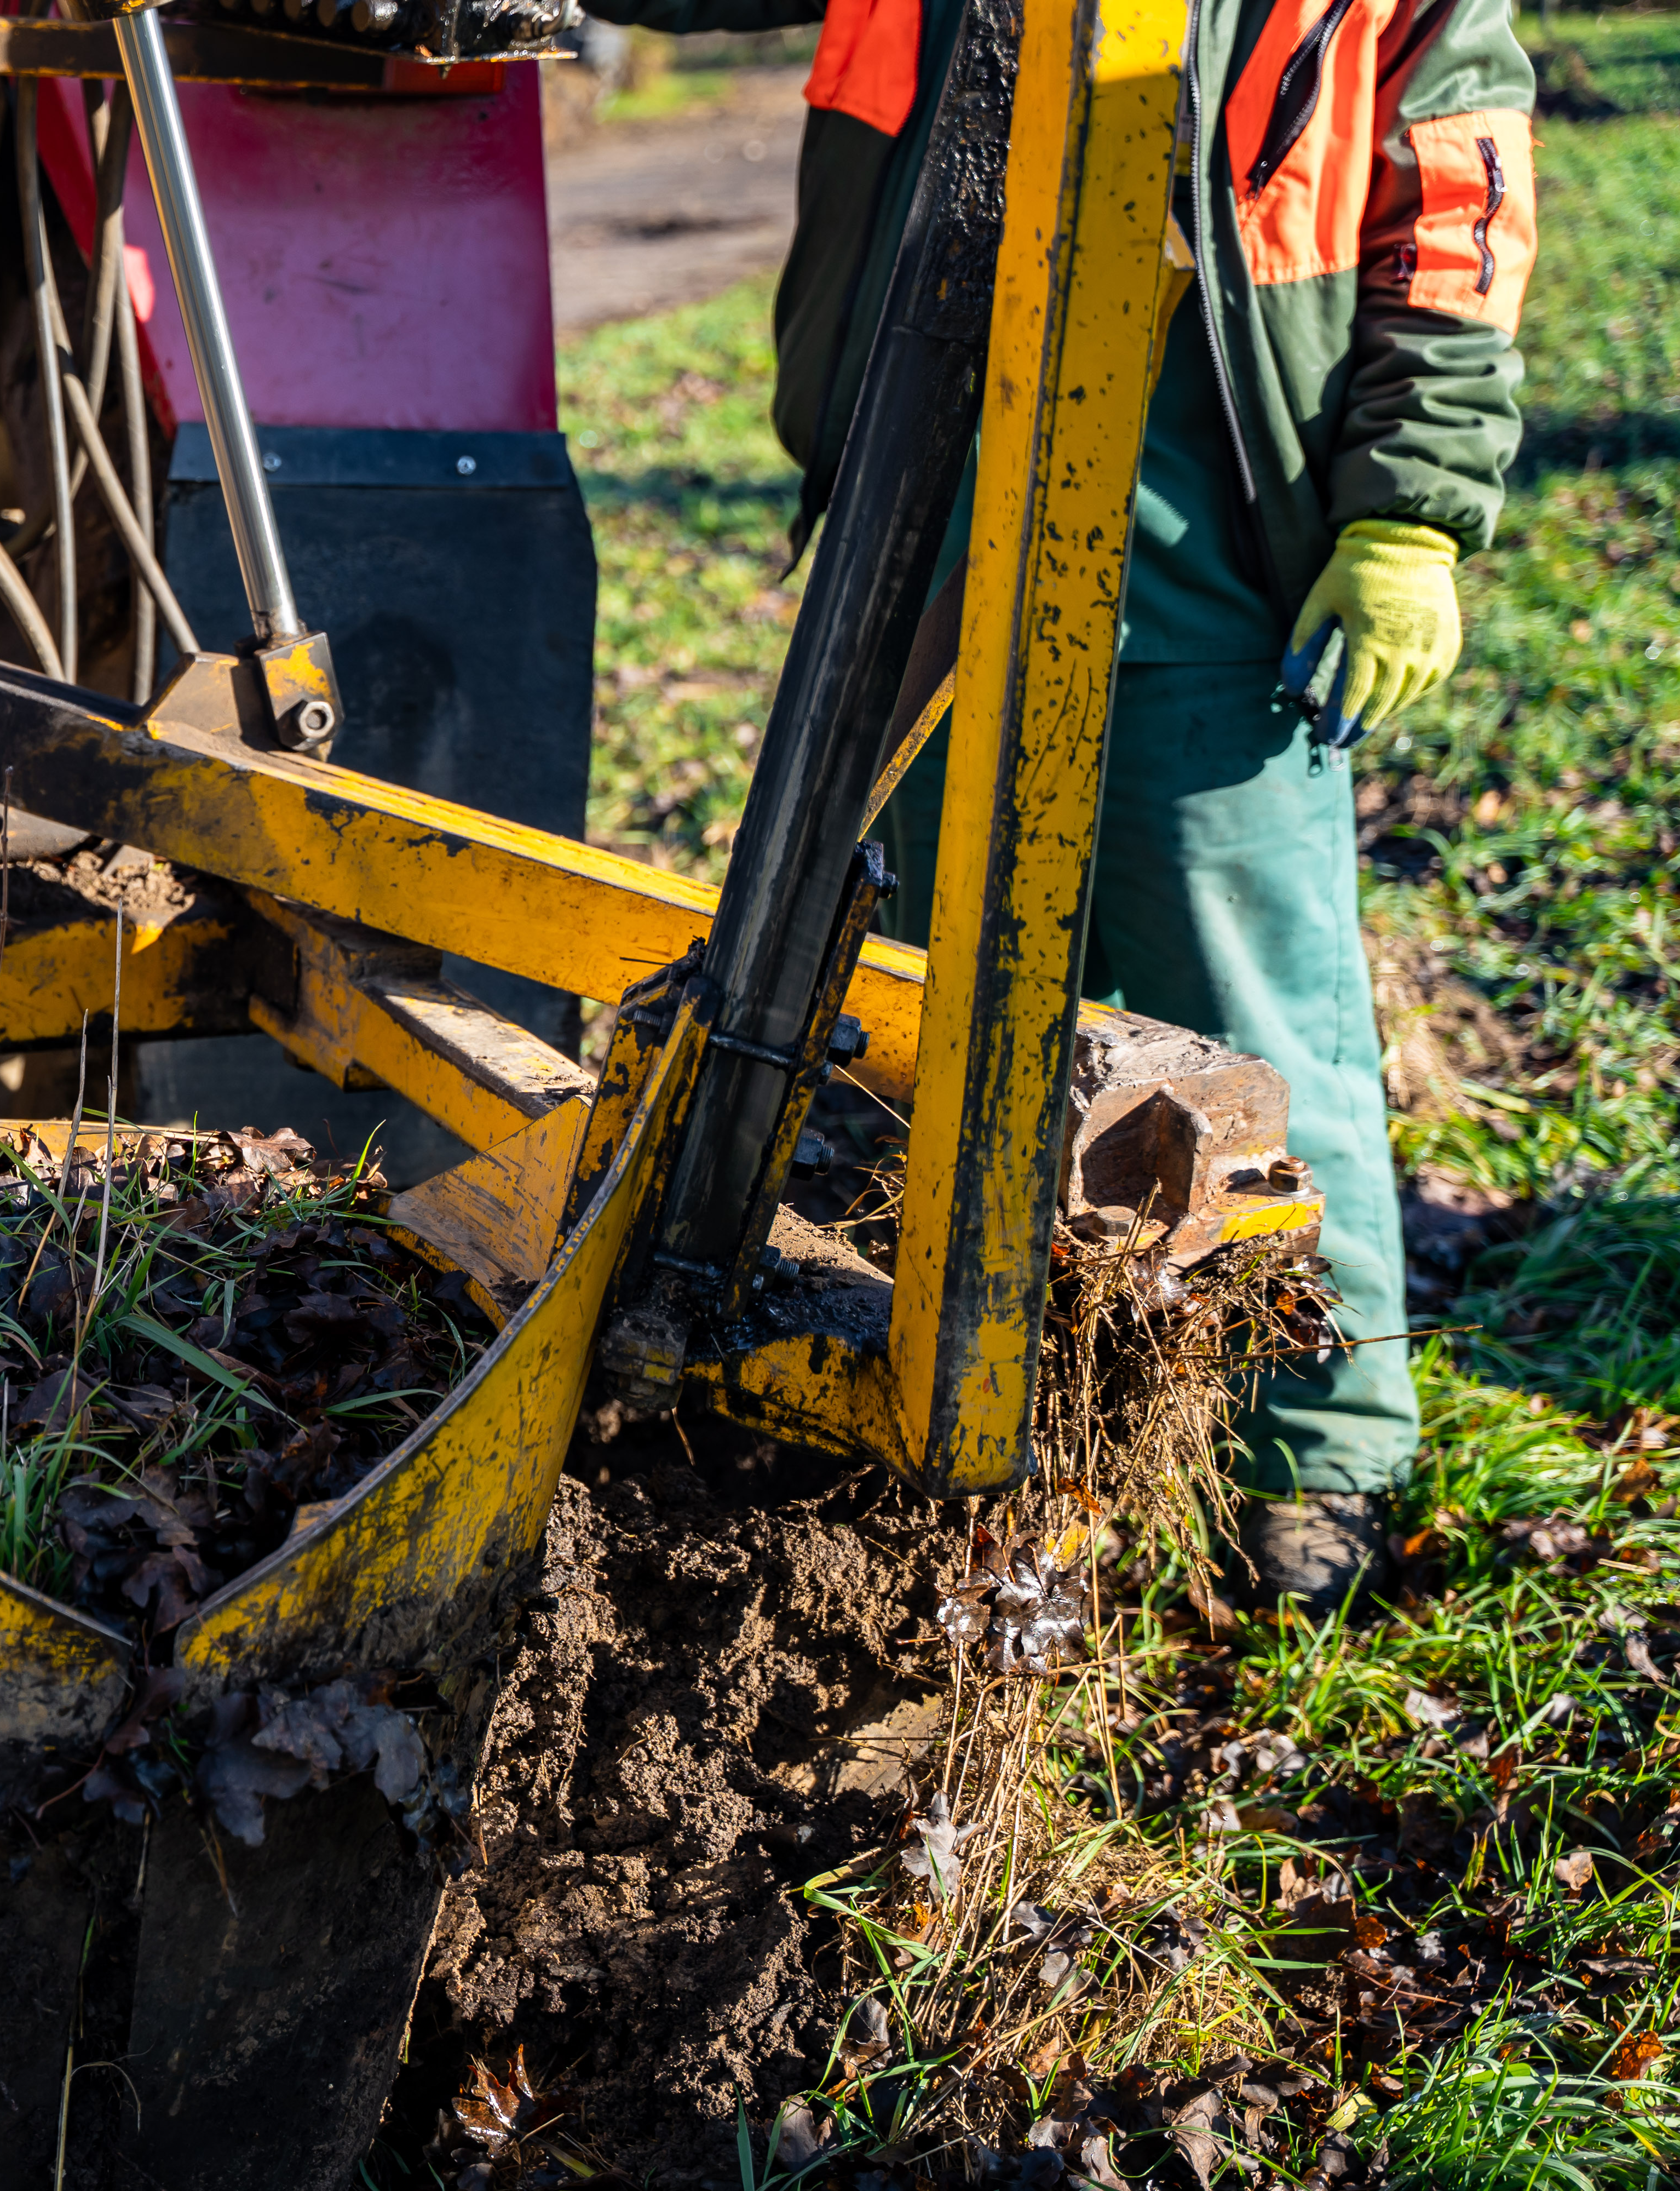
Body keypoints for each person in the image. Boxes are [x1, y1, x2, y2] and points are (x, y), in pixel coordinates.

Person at [584, 0, 1538, 1607]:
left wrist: (1411, 519)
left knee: (1257, 1017)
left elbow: (1453, 205)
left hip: (1217, 524)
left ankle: (1315, 1452)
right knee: (909, 999)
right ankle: (936, 1403)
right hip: (930, 485)